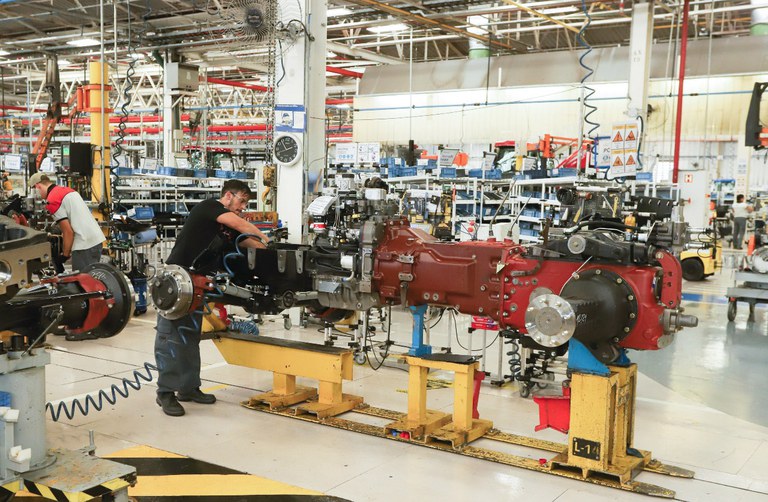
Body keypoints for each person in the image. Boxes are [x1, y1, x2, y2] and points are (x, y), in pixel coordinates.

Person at [154, 179, 270, 417]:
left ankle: (188, 388)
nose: (243, 207)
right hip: (175, 281)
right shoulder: (209, 207)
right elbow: (242, 225)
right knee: (170, 338)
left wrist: (270, 248)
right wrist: (263, 236)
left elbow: (247, 241)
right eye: (241, 201)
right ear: (228, 196)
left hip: (197, 285)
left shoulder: (227, 226)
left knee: (190, 337)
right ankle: (165, 393)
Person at [28, 172, 105, 271]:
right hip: (95, 241)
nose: (36, 196)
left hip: (84, 245)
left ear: (37, 186)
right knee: (91, 277)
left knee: (81, 279)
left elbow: (68, 231)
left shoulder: (52, 200)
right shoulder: (67, 190)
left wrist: (65, 255)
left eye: (34, 191)